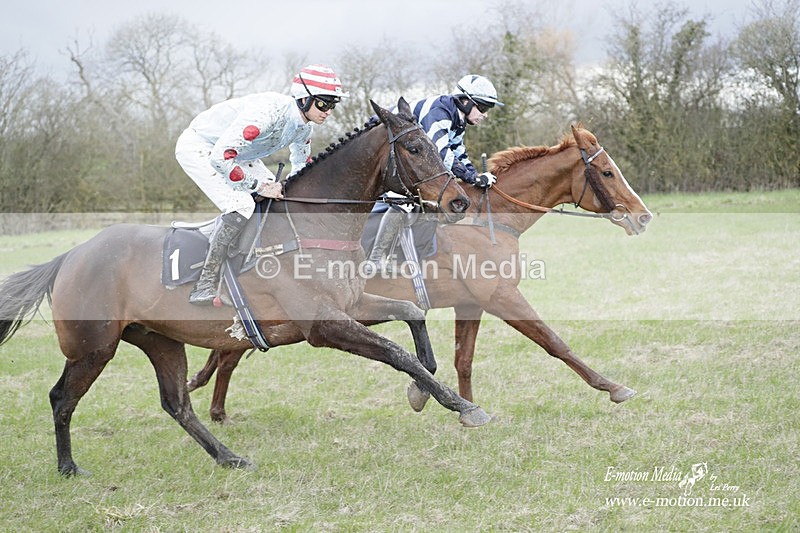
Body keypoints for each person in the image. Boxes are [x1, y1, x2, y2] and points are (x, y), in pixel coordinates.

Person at [175, 64, 348, 305]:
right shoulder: (265, 114)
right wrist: (258, 186)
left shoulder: (303, 127)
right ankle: (205, 283)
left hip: (236, 155)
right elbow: (219, 157)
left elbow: (300, 166)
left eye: (332, 105)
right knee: (242, 204)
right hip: (201, 147)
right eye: (323, 103)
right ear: (304, 98)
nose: (328, 111)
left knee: (280, 197)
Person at [366, 74, 504, 272]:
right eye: (482, 108)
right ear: (465, 102)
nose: (485, 114)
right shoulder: (440, 112)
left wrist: (475, 175)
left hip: (405, 154)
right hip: (381, 146)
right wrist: (471, 177)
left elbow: (458, 151)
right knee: (402, 200)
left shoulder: (458, 119)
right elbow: (441, 155)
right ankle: (375, 260)